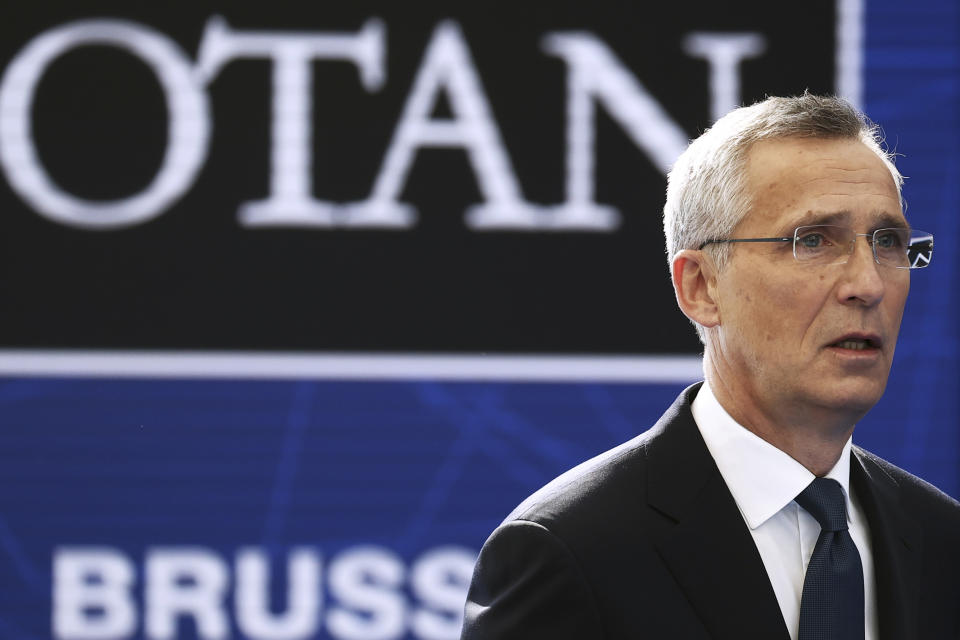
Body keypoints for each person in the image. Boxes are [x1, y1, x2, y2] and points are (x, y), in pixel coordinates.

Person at [460, 94, 960, 640]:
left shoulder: (943, 541)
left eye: (887, 242)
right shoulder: (569, 551)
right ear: (700, 287)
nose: (867, 284)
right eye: (813, 241)